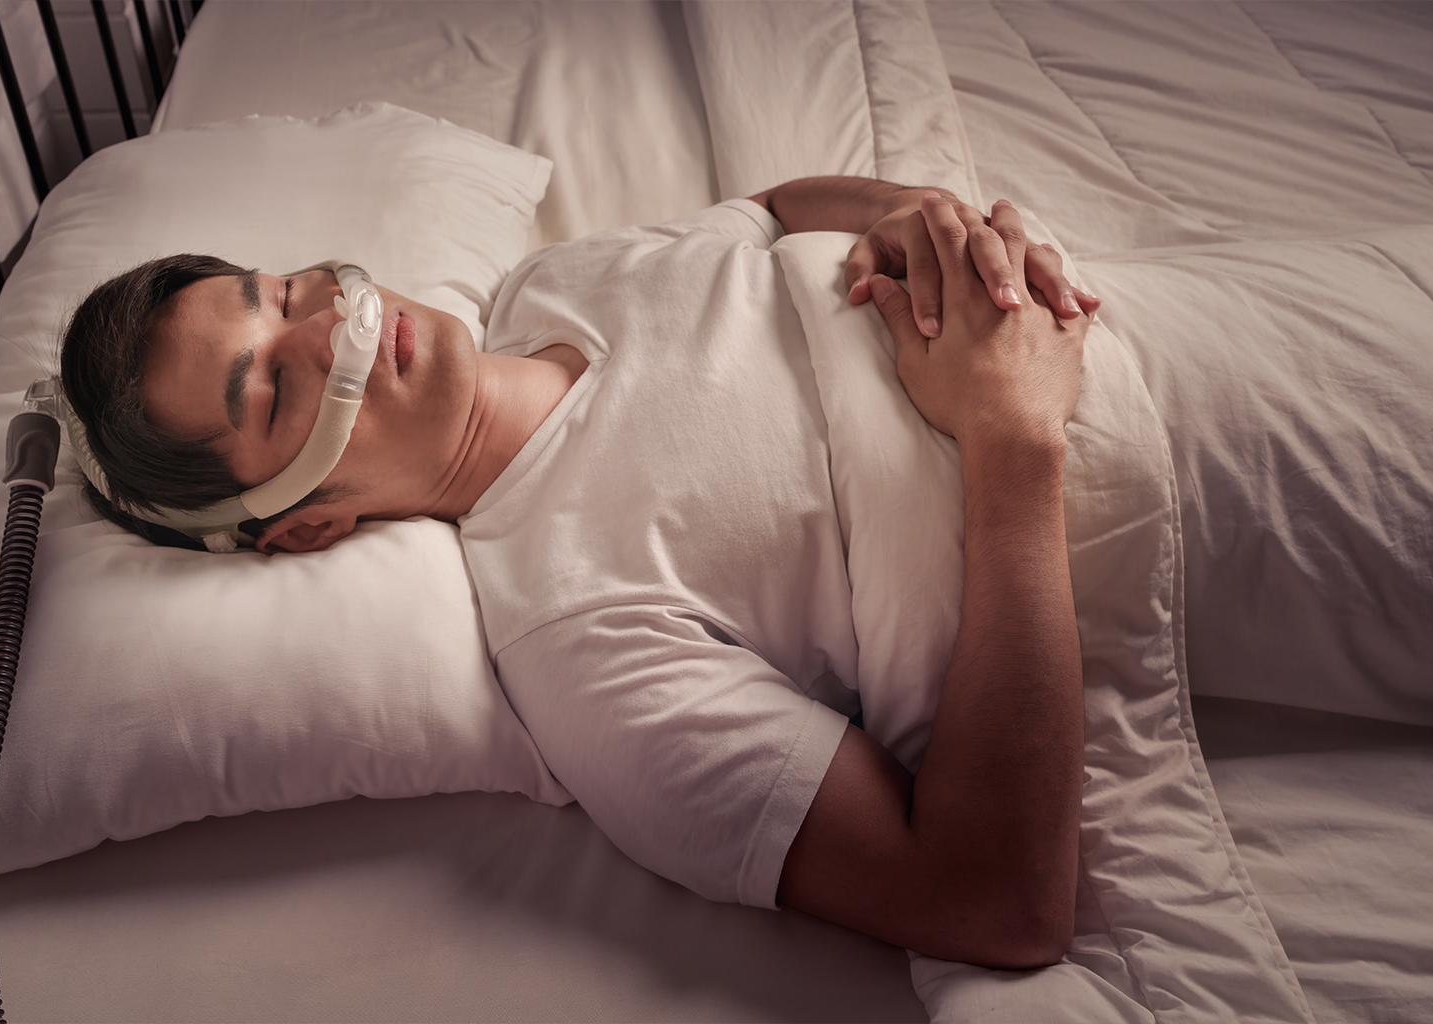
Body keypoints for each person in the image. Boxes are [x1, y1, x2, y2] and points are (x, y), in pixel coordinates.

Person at [60, 177, 1096, 969]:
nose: (337, 326)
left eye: (283, 293)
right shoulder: (582, 646)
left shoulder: (552, 282)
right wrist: (1014, 435)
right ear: (306, 527)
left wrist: (922, 219)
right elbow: (992, 897)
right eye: (278, 390)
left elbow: (771, 210)